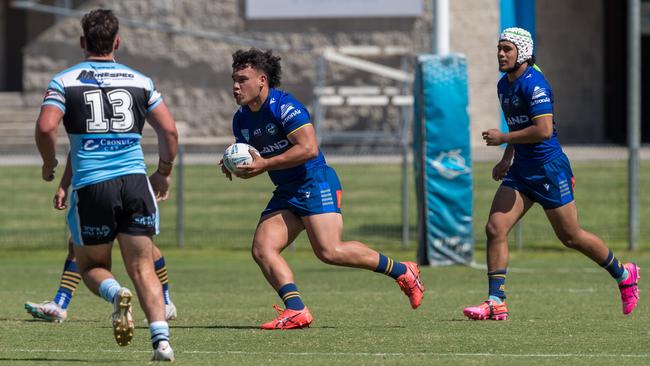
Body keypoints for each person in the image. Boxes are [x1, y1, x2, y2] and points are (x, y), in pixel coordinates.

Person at [221, 48, 424, 330]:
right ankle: (296, 310)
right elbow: (250, 155)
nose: (235, 86)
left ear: (262, 80)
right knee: (262, 248)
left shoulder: (285, 107)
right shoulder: (241, 119)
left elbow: (309, 148)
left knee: (330, 251)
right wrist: (233, 163)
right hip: (287, 190)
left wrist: (265, 164)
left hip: (314, 181)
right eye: (234, 79)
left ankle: (404, 271)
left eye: (242, 79)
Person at [463, 27, 639, 321]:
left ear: (523, 53)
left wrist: (504, 140)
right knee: (495, 228)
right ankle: (496, 301)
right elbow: (519, 126)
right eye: (499, 48)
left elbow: (543, 131)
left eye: (507, 49)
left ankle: (624, 274)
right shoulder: (503, 85)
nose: (501, 54)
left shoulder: (535, 85)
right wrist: (507, 158)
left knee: (571, 237)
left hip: (549, 168)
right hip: (521, 170)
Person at [34, 9, 177, 361]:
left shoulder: (64, 81)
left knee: (91, 267)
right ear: (117, 42)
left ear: (83, 42)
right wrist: (163, 170)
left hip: (93, 186)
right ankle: (161, 341)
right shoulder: (141, 81)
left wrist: (50, 163)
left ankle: (115, 295)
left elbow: (46, 128)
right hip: (135, 183)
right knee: (144, 266)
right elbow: (169, 131)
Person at [24, 155, 177, 323]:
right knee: (79, 244)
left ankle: (164, 302)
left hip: (107, 185)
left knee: (141, 250)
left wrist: (164, 171)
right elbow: (77, 149)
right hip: (126, 185)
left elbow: (168, 132)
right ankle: (60, 303)